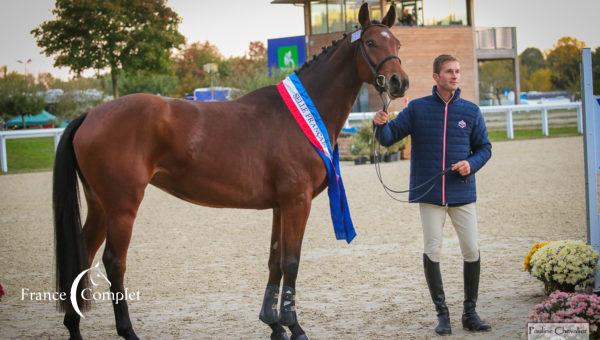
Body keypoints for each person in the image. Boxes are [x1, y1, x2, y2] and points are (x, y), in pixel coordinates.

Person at [373, 54, 492, 335]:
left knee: (472, 250)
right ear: (436, 77)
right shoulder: (416, 109)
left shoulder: (471, 112)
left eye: (457, 71)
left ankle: (470, 313)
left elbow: (485, 148)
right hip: (429, 194)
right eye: (449, 71)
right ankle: (443, 315)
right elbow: (388, 137)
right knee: (432, 251)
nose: (455, 75)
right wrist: (379, 123)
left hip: (462, 193)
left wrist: (470, 164)